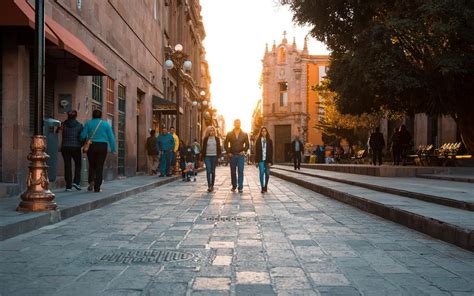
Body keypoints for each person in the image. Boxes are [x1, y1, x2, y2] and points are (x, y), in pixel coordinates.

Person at [80, 109, 116, 192]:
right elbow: (111, 137)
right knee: (99, 166)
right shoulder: (106, 124)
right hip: (102, 146)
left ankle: (91, 181)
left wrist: (83, 140)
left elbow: (83, 135)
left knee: (92, 165)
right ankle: (97, 187)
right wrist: (113, 149)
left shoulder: (88, 123)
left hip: (91, 146)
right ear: (101, 116)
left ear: (92, 115)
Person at [224, 119, 249, 193]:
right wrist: (228, 152)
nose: (237, 124)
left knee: (240, 171)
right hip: (232, 155)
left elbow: (247, 144)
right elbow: (226, 144)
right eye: (236, 123)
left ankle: (240, 187)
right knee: (233, 171)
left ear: (240, 124)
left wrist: (244, 151)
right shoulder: (229, 133)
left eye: (239, 123)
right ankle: (234, 186)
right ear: (234, 124)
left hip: (240, 156)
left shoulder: (244, 134)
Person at [60, 110, 83, 192]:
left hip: (65, 147)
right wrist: (81, 145)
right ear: (76, 116)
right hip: (76, 147)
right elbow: (82, 137)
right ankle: (76, 182)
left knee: (67, 166)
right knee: (78, 165)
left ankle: (68, 186)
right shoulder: (79, 125)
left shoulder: (63, 124)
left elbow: (60, 134)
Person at [202, 126, 222, 192]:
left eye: (213, 130)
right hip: (207, 156)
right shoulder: (205, 139)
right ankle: (209, 186)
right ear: (208, 131)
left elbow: (219, 148)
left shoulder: (217, 139)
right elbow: (203, 149)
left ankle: (212, 185)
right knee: (208, 170)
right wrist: (202, 158)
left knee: (213, 171)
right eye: (210, 130)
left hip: (214, 156)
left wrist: (219, 157)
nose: (212, 132)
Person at [255, 127, 273, 193]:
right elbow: (256, 151)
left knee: (267, 174)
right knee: (262, 172)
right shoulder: (258, 141)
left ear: (266, 132)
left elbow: (271, 152)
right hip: (260, 160)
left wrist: (270, 162)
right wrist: (256, 161)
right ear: (261, 132)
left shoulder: (270, 141)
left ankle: (266, 186)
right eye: (262, 131)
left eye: (265, 131)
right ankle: (262, 187)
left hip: (267, 160)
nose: (263, 132)